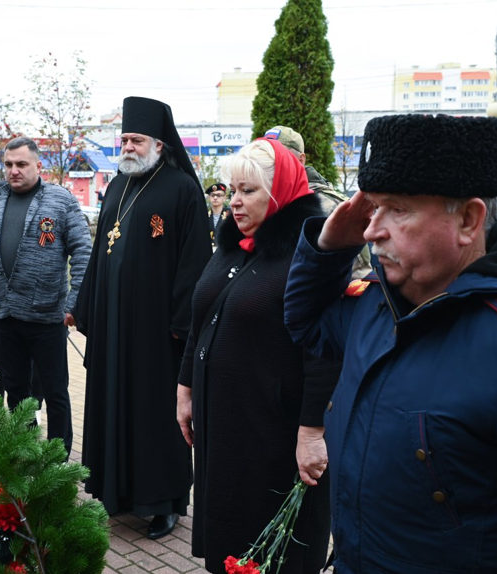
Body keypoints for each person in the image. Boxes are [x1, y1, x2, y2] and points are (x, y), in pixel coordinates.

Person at [284, 114, 497, 572]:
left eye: (397, 209)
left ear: (468, 219)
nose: (370, 230)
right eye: (372, 207)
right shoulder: (379, 303)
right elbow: (305, 324)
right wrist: (327, 250)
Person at [177, 138, 340, 572]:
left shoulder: (308, 256)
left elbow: (324, 354)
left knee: (274, 547)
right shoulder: (232, 245)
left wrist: (311, 432)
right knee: (228, 529)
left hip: (273, 432)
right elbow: (202, 318)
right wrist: (185, 387)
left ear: (282, 191)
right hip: (225, 425)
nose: (234, 202)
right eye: (232, 190)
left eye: (247, 191)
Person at [73, 96, 213, 539]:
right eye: (124, 140)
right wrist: (84, 307)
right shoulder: (117, 186)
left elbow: (193, 262)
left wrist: (180, 325)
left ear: (158, 142)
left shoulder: (181, 189)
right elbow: (100, 253)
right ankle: (115, 494)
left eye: (135, 140)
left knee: (156, 416)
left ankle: (164, 503)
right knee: (114, 405)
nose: (127, 147)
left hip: (156, 334)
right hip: (114, 329)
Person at [0, 137, 91, 455]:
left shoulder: (60, 200)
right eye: (8, 164)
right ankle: (25, 452)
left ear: (39, 166)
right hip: (4, 315)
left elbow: (82, 252)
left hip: (48, 316)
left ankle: (58, 458)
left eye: (21, 164)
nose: (13, 170)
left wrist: (74, 302)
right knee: (17, 390)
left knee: (55, 392)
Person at [263, 126, 370, 278]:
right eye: (265, 159)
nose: (270, 165)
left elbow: (358, 276)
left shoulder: (331, 206)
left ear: (300, 160)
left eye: (278, 158)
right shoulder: (259, 202)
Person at [205, 182, 230, 249]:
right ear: (209, 198)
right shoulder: (204, 215)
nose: (215, 198)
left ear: (224, 198)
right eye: (212, 195)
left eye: (219, 195)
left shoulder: (230, 215)